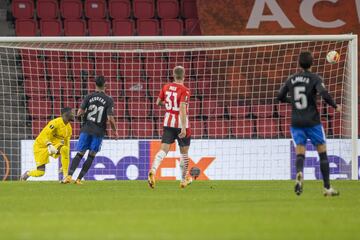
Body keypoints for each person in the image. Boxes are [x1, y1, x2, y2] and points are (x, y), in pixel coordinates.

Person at [277, 51, 341, 196]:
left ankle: (299, 173)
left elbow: (279, 96)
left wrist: (292, 100)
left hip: (296, 122)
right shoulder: (315, 78)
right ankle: (327, 188)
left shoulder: (291, 79)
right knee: (322, 153)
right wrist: (335, 106)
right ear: (312, 63)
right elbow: (324, 94)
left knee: (300, 152)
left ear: (299, 64)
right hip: (312, 121)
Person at [64, 76, 117, 184]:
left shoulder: (88, 97)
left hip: (86, 129)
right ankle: (78, 179)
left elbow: (79, 113)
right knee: (91, 155)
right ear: (105, 85)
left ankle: (69, 176)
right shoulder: (109, 100)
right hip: (99, 131)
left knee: (80, 153)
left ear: (95, 85)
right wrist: (114, 131)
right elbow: (110, 119)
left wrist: (83, 115)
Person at [148, 66, 192, 189]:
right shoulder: (185, 90)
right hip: (181, 123)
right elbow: (182, 108)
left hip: (168, 122)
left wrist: (168, 104)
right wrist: (183, 128)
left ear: (173, 75)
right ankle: (183, 180)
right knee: (184, 153)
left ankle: (153, 170)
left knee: (163, 149)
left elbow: (158, 102)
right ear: (184, 75)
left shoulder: (166, 87)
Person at [21, 107, 74, 182]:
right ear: (66, 114)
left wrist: (64, 161)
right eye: (72, 112)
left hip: (54, 146)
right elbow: (46, 134)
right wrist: (49, 144)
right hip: (40, 146)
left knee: (64, 149)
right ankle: (27, 174)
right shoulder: (55, 123)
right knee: (40, 172)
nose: (74, 114)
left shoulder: (69, 128)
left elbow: (67, 144)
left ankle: (65, 177)